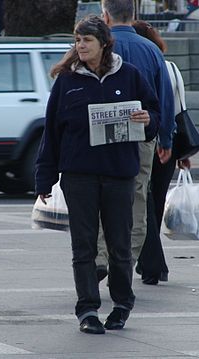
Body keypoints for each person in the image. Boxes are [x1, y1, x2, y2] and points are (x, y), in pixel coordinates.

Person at [35, 15, 160, 334]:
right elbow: (52, 132)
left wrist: (147, 120)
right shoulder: (67, 81)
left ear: (104, 44)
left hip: (119, 174)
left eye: (86, 41)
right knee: (84, 246)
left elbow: (154, 114)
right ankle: (87, 309)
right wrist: (44, 179)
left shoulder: (129, 76)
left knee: (119, 245)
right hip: (79, 175)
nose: (80, 46)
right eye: (77, 41)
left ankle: (121, 304)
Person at [96, 0, 175, 281]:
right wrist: (166, 137)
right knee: (138, 198)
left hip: (103, 134)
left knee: (102, 195)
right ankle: (125, 263)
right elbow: (166, 98)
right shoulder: (152, 50)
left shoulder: (101, 47)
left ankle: (100, 256)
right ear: (134, 14)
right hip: (142, 134)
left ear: (106, 15)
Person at [132, 20, 190, 284]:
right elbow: (180, 109)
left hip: (150, 136)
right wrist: (182, 151)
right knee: (154, 202)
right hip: (171, 140)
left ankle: (153, 265)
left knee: (143, 204)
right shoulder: (172, 67)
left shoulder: (138, 66)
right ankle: (151, 263)